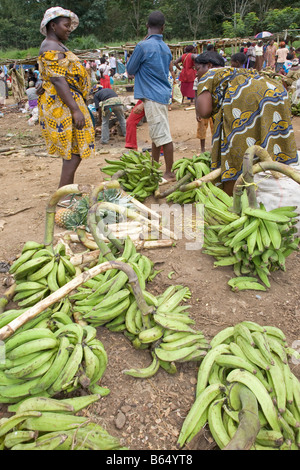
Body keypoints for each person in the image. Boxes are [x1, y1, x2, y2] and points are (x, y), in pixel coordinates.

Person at [194, 51, 298, 196]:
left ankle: (232, 198)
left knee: (236, 152)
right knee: (268, 145)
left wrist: (197, 99)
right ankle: (274, 188)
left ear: (209, 66)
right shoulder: (235, 71)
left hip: (247, 99)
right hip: (275, 93)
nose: (196, 74)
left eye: (198, 69)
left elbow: (204, 111)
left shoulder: (210, 74)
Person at [37, 6, 95, 197]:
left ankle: (66, 191)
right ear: (53, 25)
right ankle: (63, 194)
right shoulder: (51, 45)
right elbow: (57, 80)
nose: (69, 29)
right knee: (75, 150)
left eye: (70, 25)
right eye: (65, 25)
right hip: (63, 105)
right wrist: (75, 109)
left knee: (73, 149)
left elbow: (52, 75)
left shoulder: (56, 45)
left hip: (67, 101)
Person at [126, 10, 175, 182]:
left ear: (147, 26)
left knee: (163, 136)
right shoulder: (166, 48)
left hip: (152, 95)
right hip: (161, 94)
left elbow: (130, 69)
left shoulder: (143, 46)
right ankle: (154, 168)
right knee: (156, 134)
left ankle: (169, 172)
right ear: (163, 28)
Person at [193, 60, 213, 153]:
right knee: (201, 128)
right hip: (202, 108)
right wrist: (197, 112)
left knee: (215, 129)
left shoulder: (213, 78)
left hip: (214, 108)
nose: (197, 72)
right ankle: (202, 148)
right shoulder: (197, 80)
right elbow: (196, 96)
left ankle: (215, 146)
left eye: (198, 69)